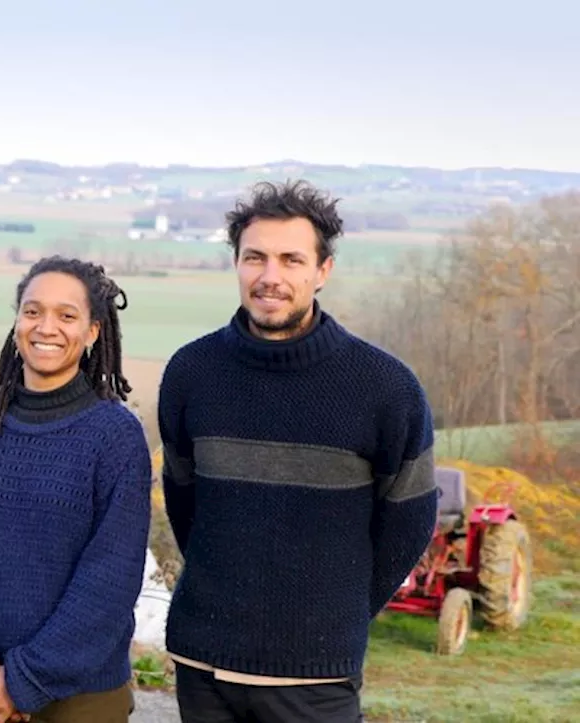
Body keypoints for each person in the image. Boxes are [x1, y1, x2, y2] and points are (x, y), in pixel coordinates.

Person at [156, 180, 438, 723]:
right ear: (235, 263)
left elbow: (407, 526)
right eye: (254, 257)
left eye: (291, 259)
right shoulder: (191, 374)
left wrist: (336, 616)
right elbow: (185, 503)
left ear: (322, 271)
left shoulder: (385, 388)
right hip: (202, 665)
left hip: (315, 675)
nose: (270, 277)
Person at [0, 256, 153, 723]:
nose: (46, 327)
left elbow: (109, 582)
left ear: (92, 331)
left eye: (67, 315)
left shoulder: (115, 437)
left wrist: (21, 680)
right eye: (32, 311)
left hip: (80, 698)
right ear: (17, 320)